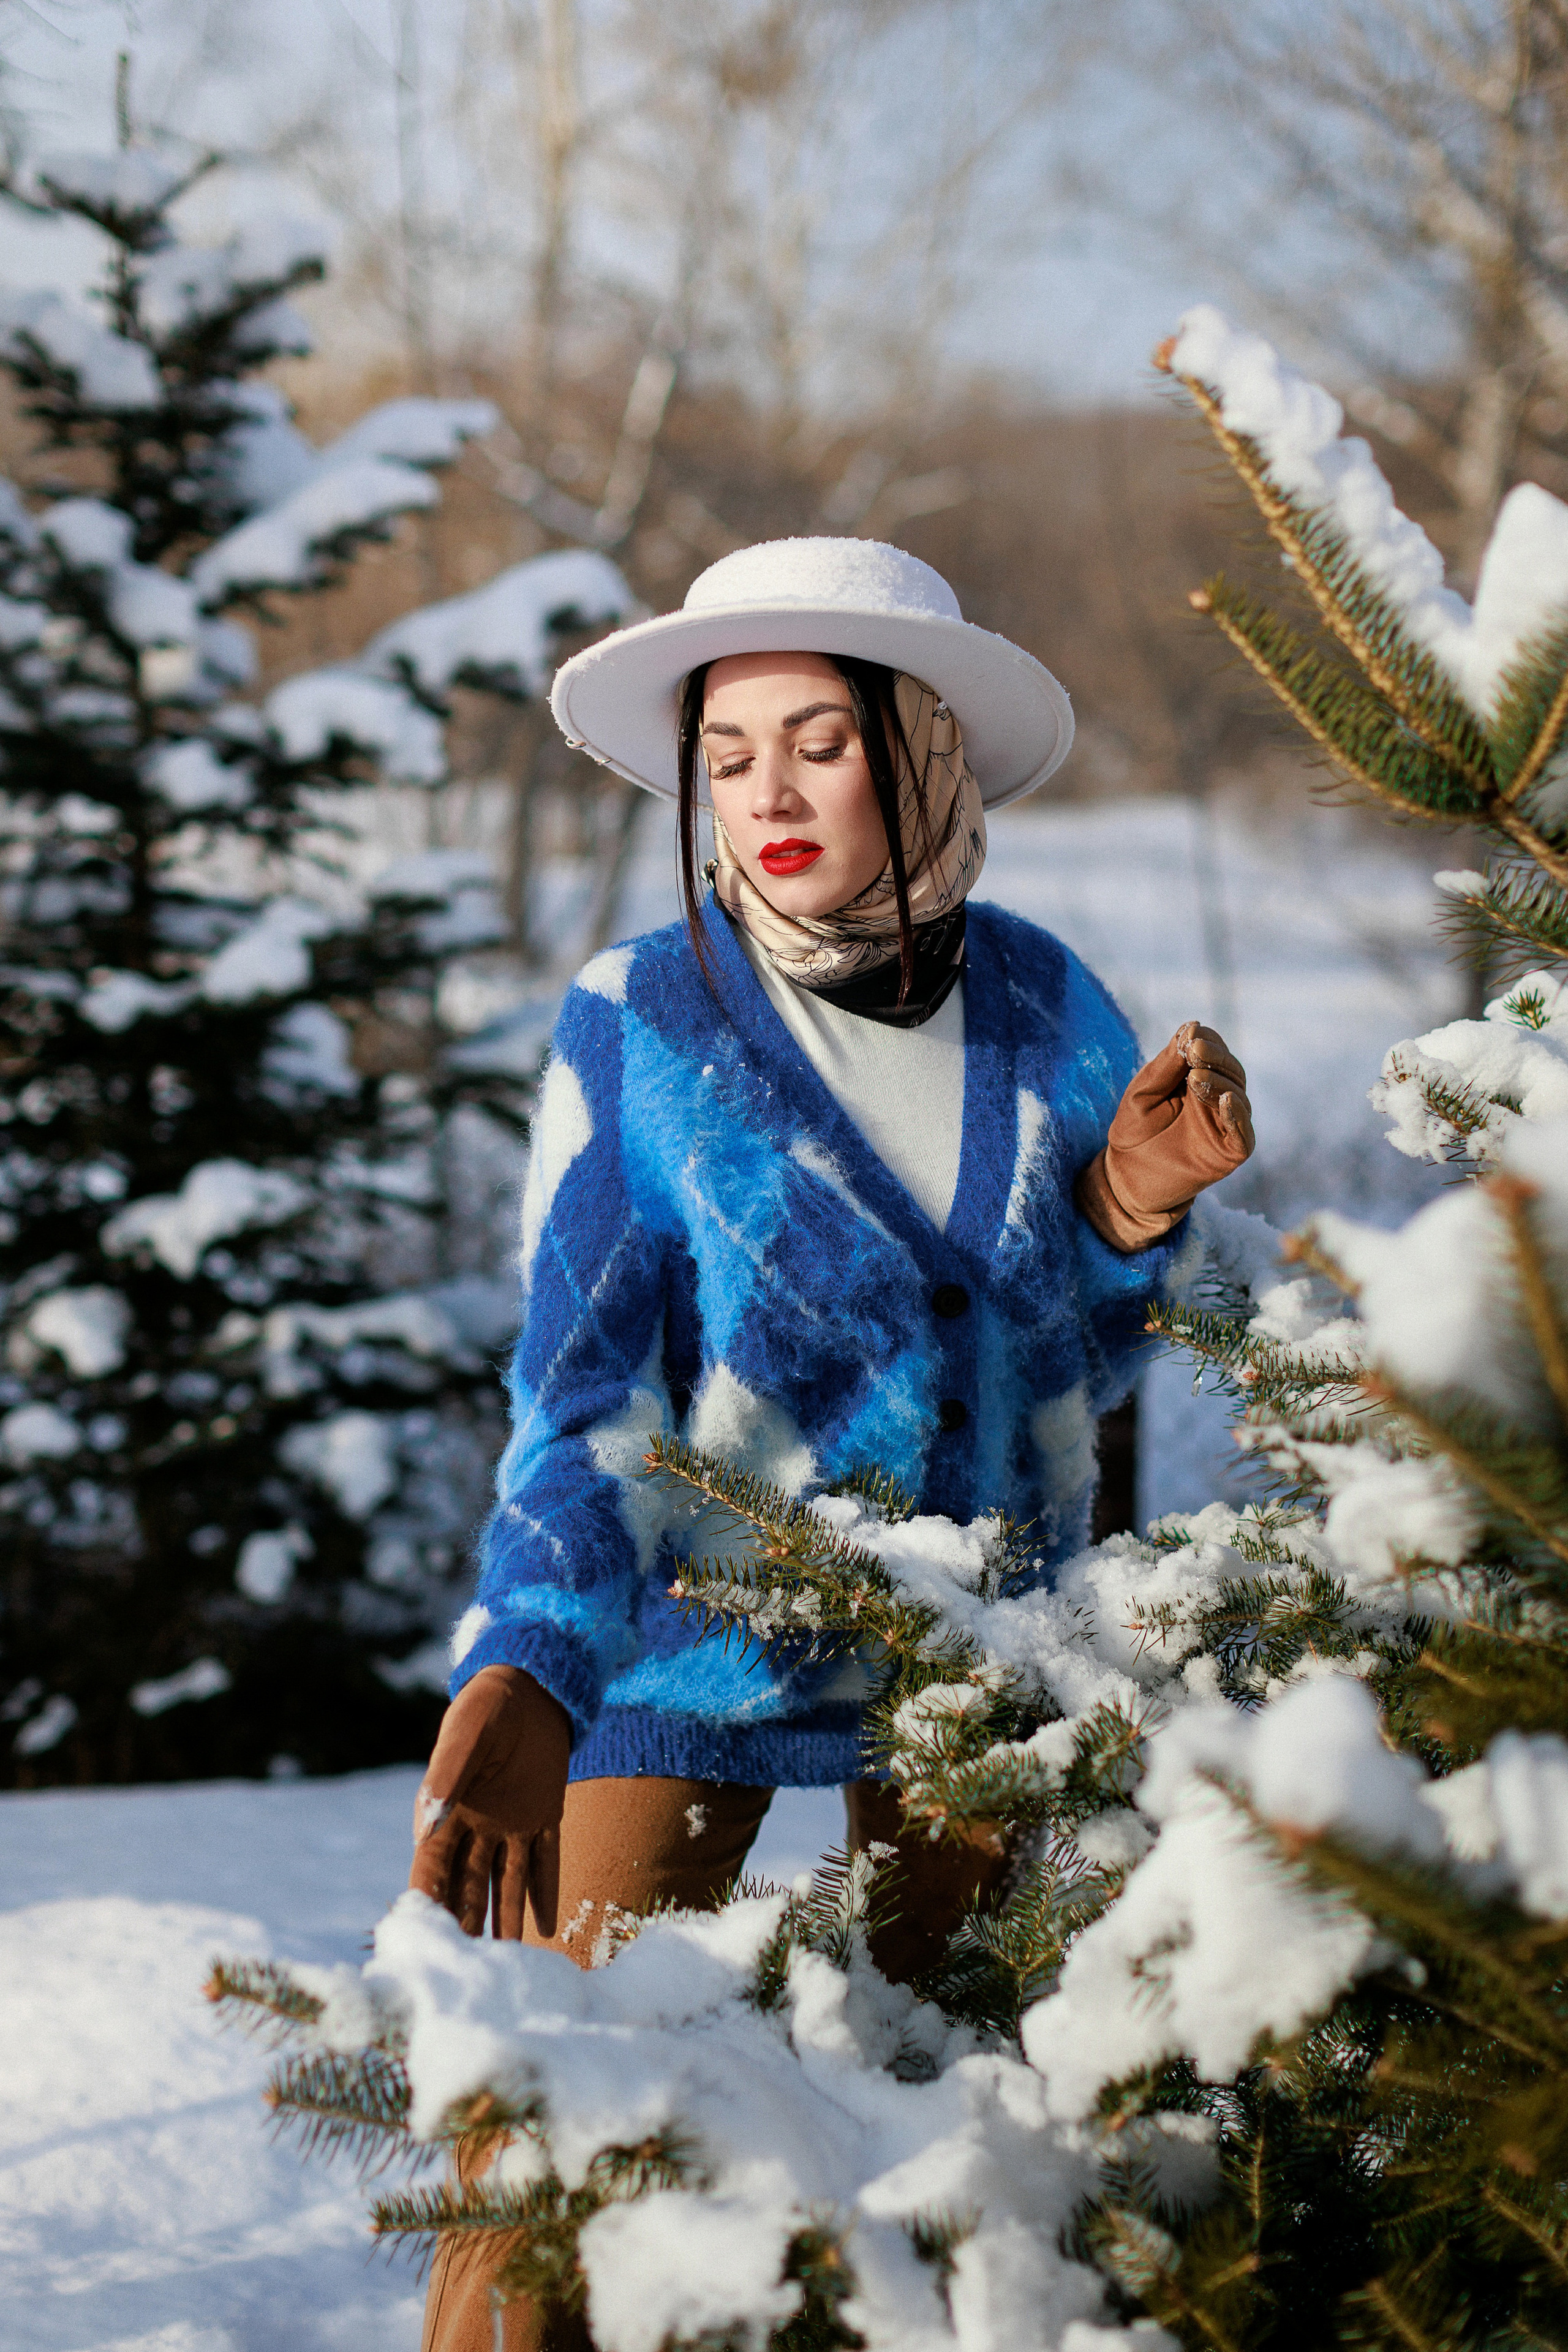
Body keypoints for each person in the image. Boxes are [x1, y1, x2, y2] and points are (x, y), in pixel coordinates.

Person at [407, 538, 1255, 2352]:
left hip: (979, 1664)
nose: (767, 795)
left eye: (819, 740)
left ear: (919, 747)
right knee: (563, 2134)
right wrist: (530, 1667)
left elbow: (1072, 1377)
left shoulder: (1046, 1009)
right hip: (685, 1649)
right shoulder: (645, 1019)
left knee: (975, 2153)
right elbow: (583, 1390)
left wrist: (1127, 1213)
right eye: (728, 756)